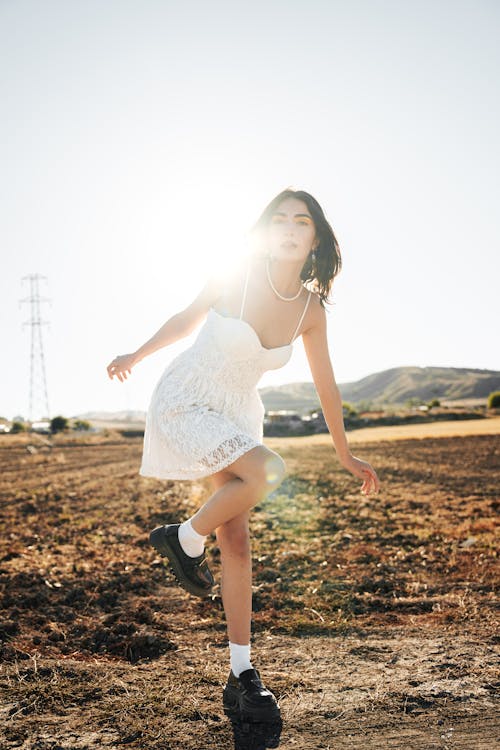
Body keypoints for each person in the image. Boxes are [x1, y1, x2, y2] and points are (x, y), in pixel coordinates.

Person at [106, 187, 379, 726]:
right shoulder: (239, 272)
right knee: (269, 471)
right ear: (265, 230)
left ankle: (242, 672)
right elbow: (187, 319)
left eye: (301, 222)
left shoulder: (310, 309)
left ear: (316, 238)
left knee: (236, 538)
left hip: (236, 413)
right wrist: (136, 355)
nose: (288, 228)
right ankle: (183, 539)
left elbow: (326, 388)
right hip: (189, 398)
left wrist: (345, 454)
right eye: (278, 219)